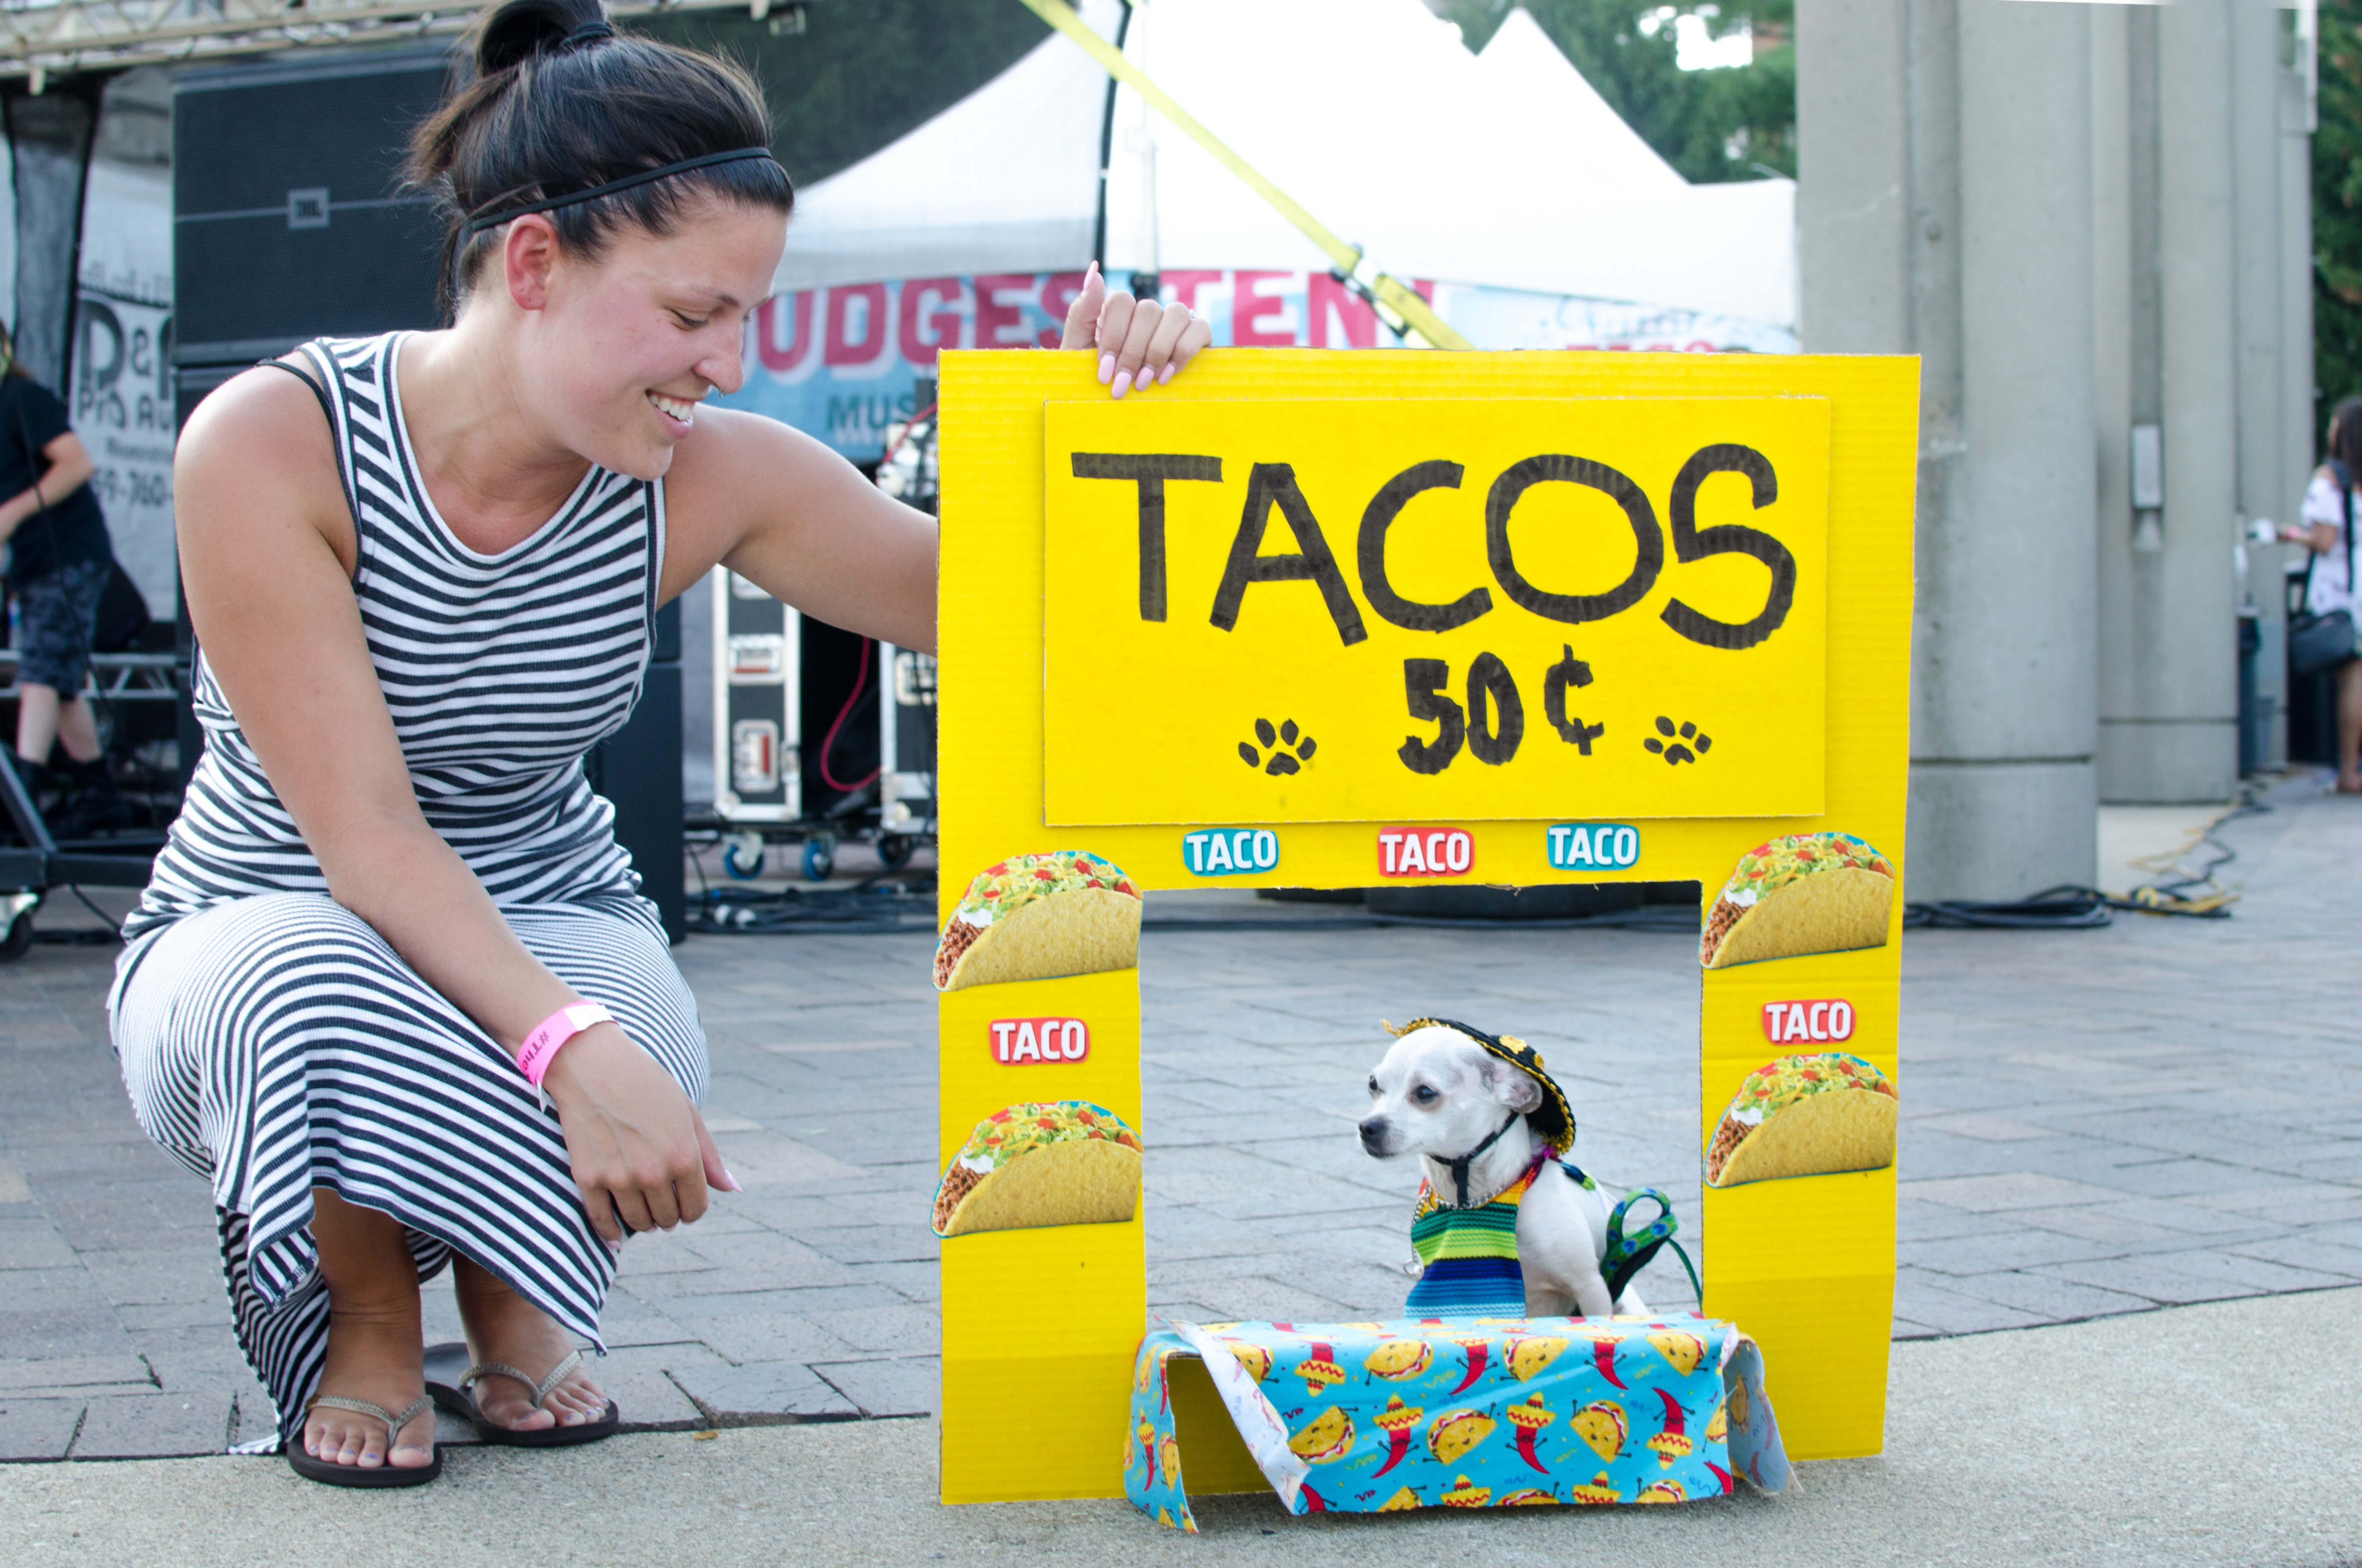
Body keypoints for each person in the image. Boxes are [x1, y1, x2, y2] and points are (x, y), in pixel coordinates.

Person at [108, 0, 1212, 1488]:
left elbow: (1003, 601)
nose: (726, 365)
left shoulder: (712, 476)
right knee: (317, 981)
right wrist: (566, 1046)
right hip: (264, 909)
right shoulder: (271, 442)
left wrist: (1115, 416)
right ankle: (368, 1311)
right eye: (695, 318)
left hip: (549, 897)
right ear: (533, 265)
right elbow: (364, 839)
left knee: (634, 986)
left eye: (746, 316)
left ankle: (511, 1285)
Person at [0, 321, 128, 833]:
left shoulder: (23, 397)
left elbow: (76, 464)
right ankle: (100, 793)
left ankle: (23, 797)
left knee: (41, 671)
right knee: (63, 680)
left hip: (71, 555)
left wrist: (11, 513)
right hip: (35, 565)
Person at [2279, 394, 2362, 793]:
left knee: (2351, 681)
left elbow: (2325, 540)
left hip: (2342, 592)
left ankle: (2348, 770)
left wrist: (2288, 533)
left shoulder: (2329, 480)